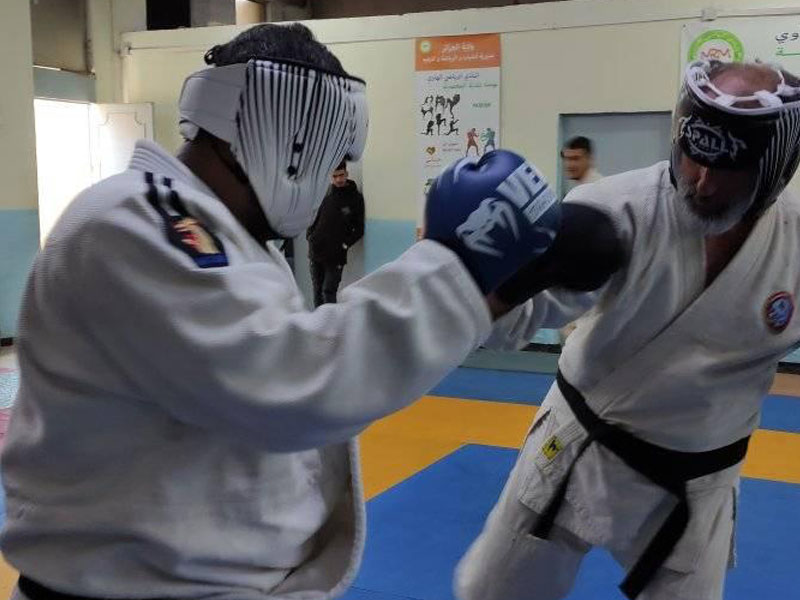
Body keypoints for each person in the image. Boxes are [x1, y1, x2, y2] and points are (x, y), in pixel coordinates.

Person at [0, 23, 573, 600]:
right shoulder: (134, 221)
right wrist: (457, 265)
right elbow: (294, 381)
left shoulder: (229, 241)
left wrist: (524, 283)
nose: (329, 181)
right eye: (329, 162)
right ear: (292, 136)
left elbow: (318, 347)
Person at [456, 59, 800, 600]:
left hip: (696, 486)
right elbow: (504, 329)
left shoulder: (796, 246)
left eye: (726, 167)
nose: (702, 182)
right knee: (489, 593)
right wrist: (494, 276)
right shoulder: (614, 211)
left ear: (773, 167)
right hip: (577, 447)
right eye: (694, 154)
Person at [307, 161, 365, 307]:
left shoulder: (355, 198)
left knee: (328, 291)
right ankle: (318, 327)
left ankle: (331, 326)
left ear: (347, 174)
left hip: (336, 254)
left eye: (341, 175)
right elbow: (314, 217)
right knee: (317, 292)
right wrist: (310, 236)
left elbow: (359, 229)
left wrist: (344, 245)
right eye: (335, 176)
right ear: (330, 177)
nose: (339, 179)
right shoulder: (325, 193)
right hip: (316, 250)